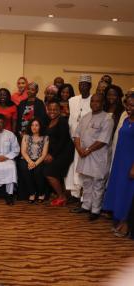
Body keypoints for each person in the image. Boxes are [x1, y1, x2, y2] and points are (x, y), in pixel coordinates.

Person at [72, 94, 114, 221]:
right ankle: (86, 206)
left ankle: (95, 210)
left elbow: (103, 140)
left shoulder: (107, 118)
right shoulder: (85, 117)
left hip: (97, 157)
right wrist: (79, 149)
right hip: (84, 155)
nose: (94, 104)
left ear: (102, 103)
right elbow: (77, 135)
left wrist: (88, 150)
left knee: (98, 184)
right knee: (86, 182)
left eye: (98, 101)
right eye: (92, 101)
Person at [103, 93, 134, 236]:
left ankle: (126, 223)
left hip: (130, 163)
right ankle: (119, 219)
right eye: (128, 104)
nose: (129, 108)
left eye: (133, 105)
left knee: (128, 192)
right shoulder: (127, 120)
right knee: (118, 190)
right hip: (120, 161)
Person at [65, 74, 92, 202]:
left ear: (90, 86)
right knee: (73, 166)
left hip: (86, 141)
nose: (83, 87)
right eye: (81, 85)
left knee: (83, 167)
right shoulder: (73, 100)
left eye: (85, 85)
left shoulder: (94, 100)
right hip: (73, 138)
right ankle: (74, 193)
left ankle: (83, 195)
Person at [43, 100, 74, 206]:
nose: (52, 111)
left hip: (64, 152)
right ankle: (61, 194)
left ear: (59, 110)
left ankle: (62, 197)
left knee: (49, 172)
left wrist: (52, 155)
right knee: (48, 170)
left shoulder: (62, 121)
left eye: (55, 109)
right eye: (50, 109)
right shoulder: (48, 120)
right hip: (56, 152)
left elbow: (63, 141)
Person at [19, 118, 49, 203]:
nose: (34, 127)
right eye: (32, 125)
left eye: (36, 125)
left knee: (38, 171)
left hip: (39, 159)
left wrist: (35, 164)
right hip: (27, 159)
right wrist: (30, 162)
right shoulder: (26, 136)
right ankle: (32, 193)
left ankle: (41, 193)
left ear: (40, 127)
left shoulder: (45, 138)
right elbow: (23, 152)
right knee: (25, 168)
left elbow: (44, 155)